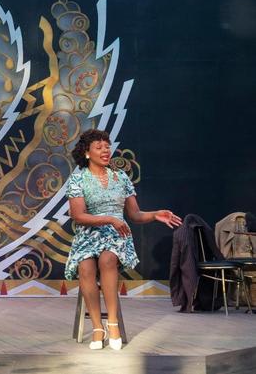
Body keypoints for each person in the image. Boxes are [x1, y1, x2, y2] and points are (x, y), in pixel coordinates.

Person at [65, 129, 181, 350]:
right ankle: (98, 328)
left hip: (117, 235)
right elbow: (78, 215)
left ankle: (113, 323)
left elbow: (135, 215)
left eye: (107, 146)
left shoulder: (121, 177)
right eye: (99, 147)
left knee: (107, 260)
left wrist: (155, 214)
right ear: (87, 153)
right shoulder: (78, 177)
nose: (105, 151)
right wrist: (108, 219)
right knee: (86, 267)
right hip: (89, 234)